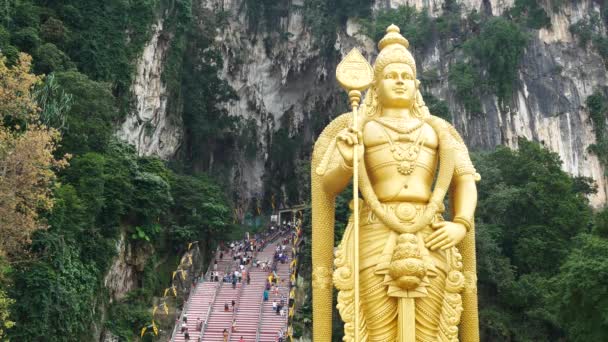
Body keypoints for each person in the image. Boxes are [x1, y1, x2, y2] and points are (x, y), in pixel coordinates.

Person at [311, 24, 479, 341]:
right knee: (377, 332)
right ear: (376, 84)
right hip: (375, 230)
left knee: (431, 332)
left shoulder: (439, 130)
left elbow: (465, 179)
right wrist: (347, 158)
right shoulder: (360, 126)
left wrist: (461, 223)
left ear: (416, 85)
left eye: (405, 76)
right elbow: (328, 186)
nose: (399, 81)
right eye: (391, 76)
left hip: (431, 233)